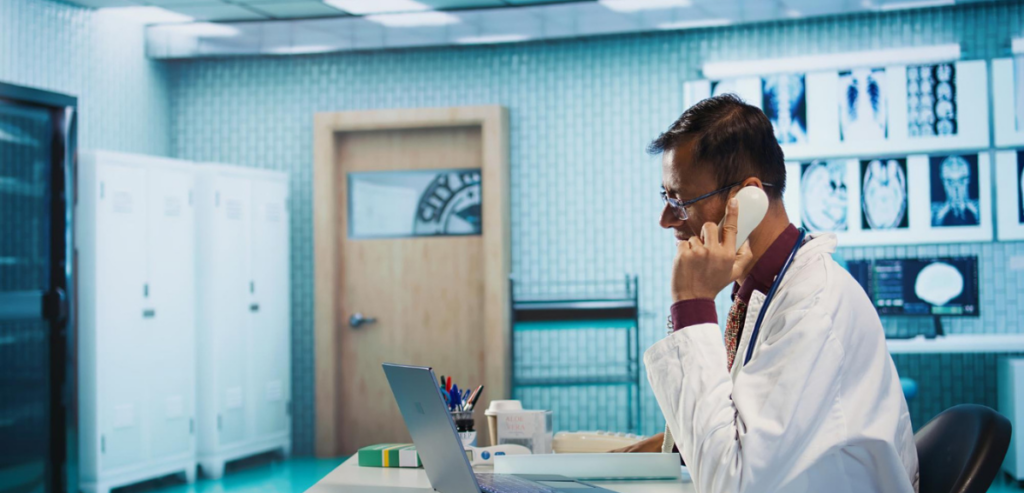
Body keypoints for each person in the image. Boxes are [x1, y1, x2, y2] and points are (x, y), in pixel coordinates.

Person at [614, 94, 919, 493]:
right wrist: (661, 450)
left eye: (680, 200)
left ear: (747, 198)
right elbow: (741, 425)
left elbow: (733, 483)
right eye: (665, 196)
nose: (666, 219)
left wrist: (691, 305)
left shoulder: (811, 305)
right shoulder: (765, 292)